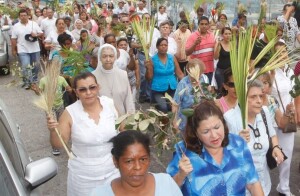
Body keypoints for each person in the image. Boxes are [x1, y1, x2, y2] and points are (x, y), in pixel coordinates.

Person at [167, 100, 264, 195]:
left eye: (217, 127)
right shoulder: (184, 152)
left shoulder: (238, 144)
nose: (214, 135)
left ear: (223, 123)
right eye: (206, 131)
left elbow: (253, 182)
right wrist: (181, 175)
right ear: (195, 133)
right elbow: (169, 190)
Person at [47, 72, 120, 196]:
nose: (88, 92)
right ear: (76, 92)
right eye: (82, 89)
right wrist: (53, 130)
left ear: (98, 87)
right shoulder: (70, 113)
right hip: (83, 178)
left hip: (113, 172)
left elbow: (123, 129)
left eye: (92, 87)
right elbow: (58, 144)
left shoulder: (109, 104)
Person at [224, 79, 285, 195]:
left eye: (260, 96)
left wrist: (276, 147)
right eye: (253, 97)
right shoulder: (229, 118)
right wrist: (236, 141)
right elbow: (221, 155)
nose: (259, 101)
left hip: (264, 181)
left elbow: (272, 134)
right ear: (242, 98)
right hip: (242, 186)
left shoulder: (264, 112)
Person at [91, 130, 183, 196]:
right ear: (115, 161)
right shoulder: (100, 193)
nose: (138, 167)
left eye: (143, 159)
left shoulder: (166, 183)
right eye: (129, 161)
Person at [270, 42, 296, 196]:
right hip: (272, 119)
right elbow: (265, 92)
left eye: (284, 52)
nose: (282, 55)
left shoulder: (290, 71)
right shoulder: (269, 72)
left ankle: (284, 188)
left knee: (287, 154)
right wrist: (271, 77)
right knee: (268, 156)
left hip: (288, 119)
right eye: (278, 53)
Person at [39, 59, 72, 155]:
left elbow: (68, 88)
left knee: (62, 123)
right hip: (49, 107)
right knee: (53, 125)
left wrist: (70, 89)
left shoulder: (61, 79)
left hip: (60, 105)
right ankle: (55, 146)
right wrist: (36, 90)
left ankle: (63, 140)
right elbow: (40, 92)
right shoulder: (43, 80)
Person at [92, 44, 135, 116]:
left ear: (115, 57)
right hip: (101, 118)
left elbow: (128, 99)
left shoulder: (123, 74)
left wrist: (130, 117)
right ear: (100, 58)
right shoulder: (93, 76)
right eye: (104, 56)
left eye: (111, 56)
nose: (108, 59)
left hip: (121, 117)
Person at [145, 38, 184, 112]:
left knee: (174, 107)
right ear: (157, 47)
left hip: (172, 88)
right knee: (163, 108)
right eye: (161, 45)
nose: (163, 47)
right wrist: (147, 69)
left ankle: (172, 122)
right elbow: (149, 78)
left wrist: (187, 83)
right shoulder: (151, 60)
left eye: (165, 45)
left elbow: (180, 73)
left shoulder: (172, 58)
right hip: (157, 90)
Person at [173, 59, 209, 132]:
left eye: (200, 73)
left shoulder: (204, 79)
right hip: (186, 119)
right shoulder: (183, 84)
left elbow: (208, 95)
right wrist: (175, 122)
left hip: (201, 117)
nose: (197, 76)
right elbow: (175, 104)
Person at [11, 9, 43, 90]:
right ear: (19, 17)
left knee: (36, 66)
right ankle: (28, 82)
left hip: (35, 49)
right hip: (23, 49)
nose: (23, 17)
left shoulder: (34, 24)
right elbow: (13, 39)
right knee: (26, 66)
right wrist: (14, 50)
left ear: (28, 16)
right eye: (21, 15)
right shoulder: (16, 26)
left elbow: (41, 33)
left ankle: (34, 80)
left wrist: (35, 35)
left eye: (25, 15)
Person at [186, 16, 215, 83]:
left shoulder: (212, 35)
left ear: (208, 25)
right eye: (202, 24)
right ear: (198, 25)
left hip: (209, 70)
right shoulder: (192, 36)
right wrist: (195, 44)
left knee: (206, 91)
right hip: (196, 70)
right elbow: (187, 53)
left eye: (206, 24)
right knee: (196, 91)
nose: (204, 26)